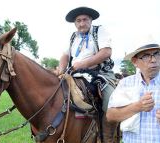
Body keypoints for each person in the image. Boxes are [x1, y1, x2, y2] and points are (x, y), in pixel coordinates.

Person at [55, 6, 118, 142]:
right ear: (75, 23)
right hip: (75, 74)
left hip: (100, 74)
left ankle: (108, 138)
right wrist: (61, 69)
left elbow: (106, 52)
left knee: (111, 101)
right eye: (78, 21)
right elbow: (65, 55)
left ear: (90, 20)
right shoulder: (73, 37)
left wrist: (82, 64)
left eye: (85, 19)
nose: (82, 23)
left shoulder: (99, 31)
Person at [106, 38, 160, 143]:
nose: (153, 60)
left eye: (157, 54)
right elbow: (110, 116)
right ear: (135, 61)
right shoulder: (125, 83)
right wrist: (137, 107)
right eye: (146, 56)